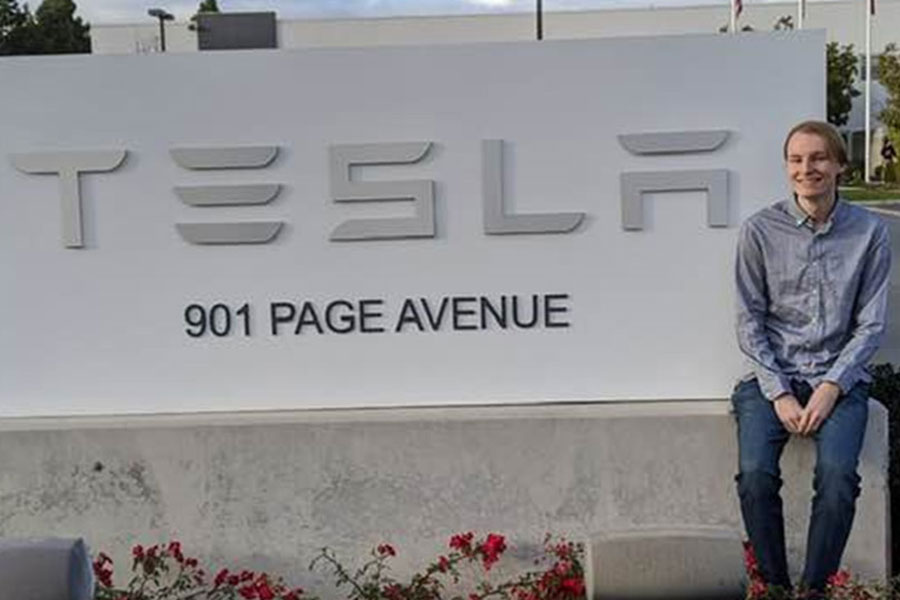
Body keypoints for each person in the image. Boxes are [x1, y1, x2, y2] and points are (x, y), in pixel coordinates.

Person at [732, 120, 892, 596]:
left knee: (839, 478)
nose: (808, 169)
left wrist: (832, 385)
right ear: (787, 168)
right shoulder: (760, 231)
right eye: (797, 160)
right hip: (772, 378)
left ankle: (814, 588)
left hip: (840, 381)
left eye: (819, 158)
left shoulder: (869, 233)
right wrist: (779, 392)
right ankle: (777, 586)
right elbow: (748, 321)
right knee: (756, 476)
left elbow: (871, 324)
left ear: (840, 165)